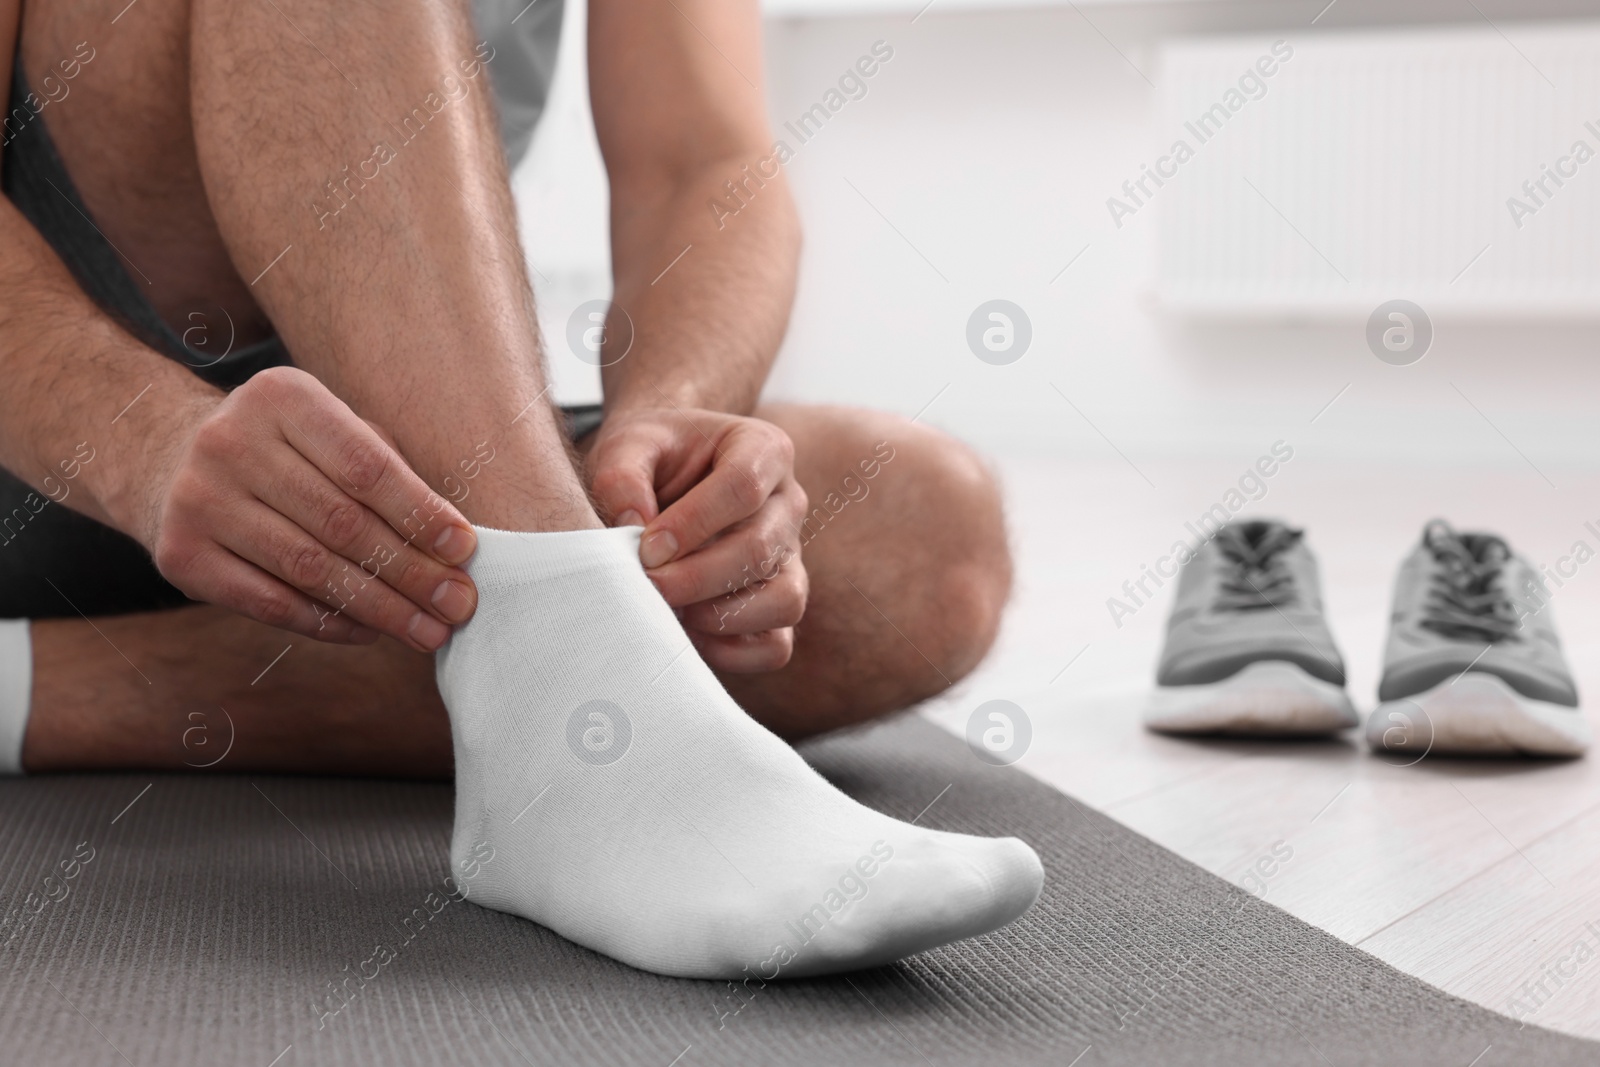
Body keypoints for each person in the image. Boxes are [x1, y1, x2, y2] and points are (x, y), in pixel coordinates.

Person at [0, 0, 1042, 979]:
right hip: (46, 433)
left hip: (381, 479)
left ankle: (31, 683)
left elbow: (701, 160)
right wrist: (139, 435)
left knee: (925, 540)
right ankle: (581, 684)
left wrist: (669, 416)